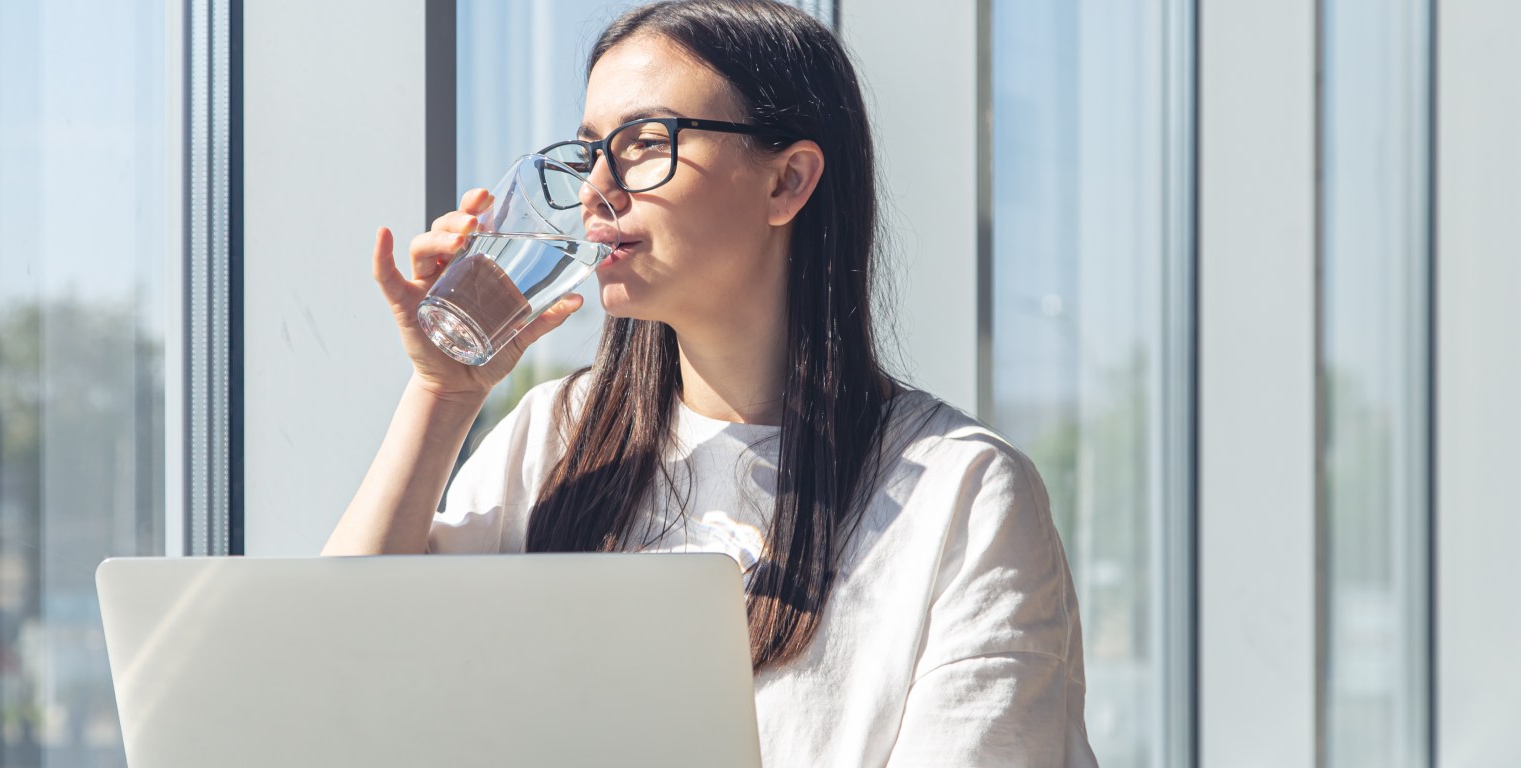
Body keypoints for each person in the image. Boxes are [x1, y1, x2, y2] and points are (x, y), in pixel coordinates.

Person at [324, 0, 1097, 764]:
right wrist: (443, 394)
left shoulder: (961, 496)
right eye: (591, 149)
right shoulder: (552, 436)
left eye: (644, 143)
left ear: (787, 183)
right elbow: (335, 667)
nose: (596, 190)